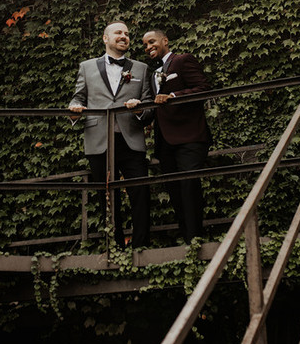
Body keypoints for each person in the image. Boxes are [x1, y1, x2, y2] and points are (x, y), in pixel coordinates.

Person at [69, 21, 152, 248]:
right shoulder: (86, 67)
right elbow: (79, 97)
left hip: (131, 139)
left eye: (126, 34)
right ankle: (115, 247)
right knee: (106, 196)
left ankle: (140, 247)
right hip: (99, 139)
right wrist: (75, 109)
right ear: (105, 39)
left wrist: (140, 109)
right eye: (118, 33)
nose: (123, 36)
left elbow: (148, 107)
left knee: (140, 193)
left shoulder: (141, 68)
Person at [142, 28, 212, 243]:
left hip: (189, 137)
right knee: (174, 190)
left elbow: (203, 88)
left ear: (165, 40)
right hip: (165, 142)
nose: (148, 47)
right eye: (145, 45)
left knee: (189, 186)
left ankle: (195, 239)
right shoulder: (152, 72)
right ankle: (187, 236)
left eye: (152, 41)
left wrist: (173, 95)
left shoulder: (182, 60)